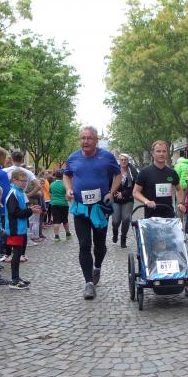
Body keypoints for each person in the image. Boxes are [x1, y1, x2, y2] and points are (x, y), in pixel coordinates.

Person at [63, 126, 121, 299]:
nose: (85, 141)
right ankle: (88, 283)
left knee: (100, 244)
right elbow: (67, 175)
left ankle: (97, 267)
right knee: (84, 244)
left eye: (89, 138)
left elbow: (118, 175)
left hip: (100, 207)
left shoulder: (107, 157)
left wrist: (111, 192)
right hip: (81, 207)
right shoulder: (73, 158)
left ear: (96, 140)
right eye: (83, 138)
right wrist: (68, 189)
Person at [6, 169, 40, 290]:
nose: (24, 183)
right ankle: (14, 280)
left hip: (20, 228)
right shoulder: (13, 193)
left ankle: (17, 277)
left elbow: (22, 209)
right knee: (16, 254)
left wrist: (31, 209)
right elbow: (15, 212)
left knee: (19, 254)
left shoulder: (20, 192)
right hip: (14, 228)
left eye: (26, 181)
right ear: (14, 180)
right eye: (22, 181)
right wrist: (31, 210)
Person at [134, 140, 184, 219]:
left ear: (167, 153)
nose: (161, 154)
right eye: (158, 151)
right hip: (151, 216)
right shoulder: (144, 172)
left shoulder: (172, 173)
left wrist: (180, 203)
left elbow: (179, 189)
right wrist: (146, 201)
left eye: (164, 151)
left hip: (169, 215)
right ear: (152, 153)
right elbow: (135, 192)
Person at [111, 154, 136, 247]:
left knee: (126, 219)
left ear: (128, 160)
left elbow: (135, 186)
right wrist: (114, 193)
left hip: (128, 199)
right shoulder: (114, 171)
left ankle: (123, 238)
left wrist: (123, 193)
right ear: (119, 161)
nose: (123, 161)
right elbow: (110, 183)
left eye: (125, 159)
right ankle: (115, 232)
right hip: (116, 199)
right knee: (116, 221)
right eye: (121, 159)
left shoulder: (132, 172)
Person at [49, 170, 71, 242]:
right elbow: (68, 194)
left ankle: (56, 236)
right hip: (64, 204)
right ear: (63, 176)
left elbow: (50, 194)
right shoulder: (65, 184)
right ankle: (68, 234)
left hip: (54, 204)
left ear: (55, 176)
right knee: (65, 220)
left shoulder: (52, 184)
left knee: (56, 221)